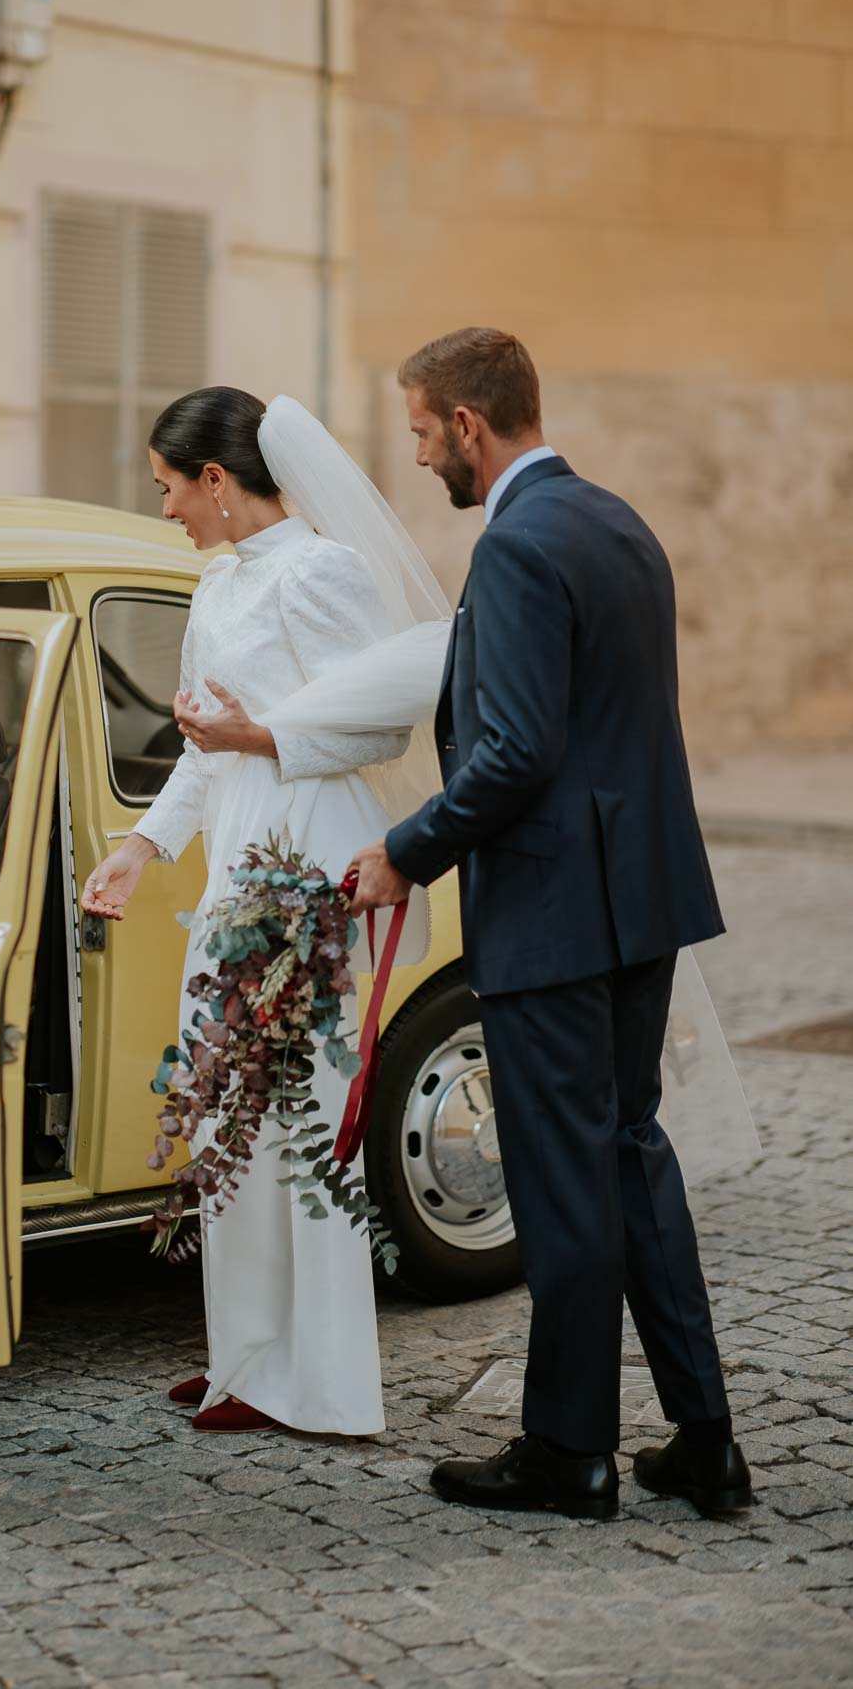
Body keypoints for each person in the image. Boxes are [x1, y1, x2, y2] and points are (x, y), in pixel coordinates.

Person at [348, 327, 752, 1520]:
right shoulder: (620, 522)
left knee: (567, 1181)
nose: (421, 456)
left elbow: (518, 750)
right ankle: (706, 1437)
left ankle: (569, 1451)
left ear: (470, 424)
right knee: (629, 1158)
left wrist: (407, 853)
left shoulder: (518, 546)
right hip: (639, 903)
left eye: (423, 431)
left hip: (556, 913)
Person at [80, 387, 450, 1437]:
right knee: (224, 1111)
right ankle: (247, 1355)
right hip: (237, 860)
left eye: (167, 485)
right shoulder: (217, 586)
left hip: (311, 863)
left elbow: (377, 731)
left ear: (214, 478)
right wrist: (141, 846)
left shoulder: (323, 571)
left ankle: (324, 1380)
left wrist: (262, 737)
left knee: (299, 1123)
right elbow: (204, 747)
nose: (163, 509)